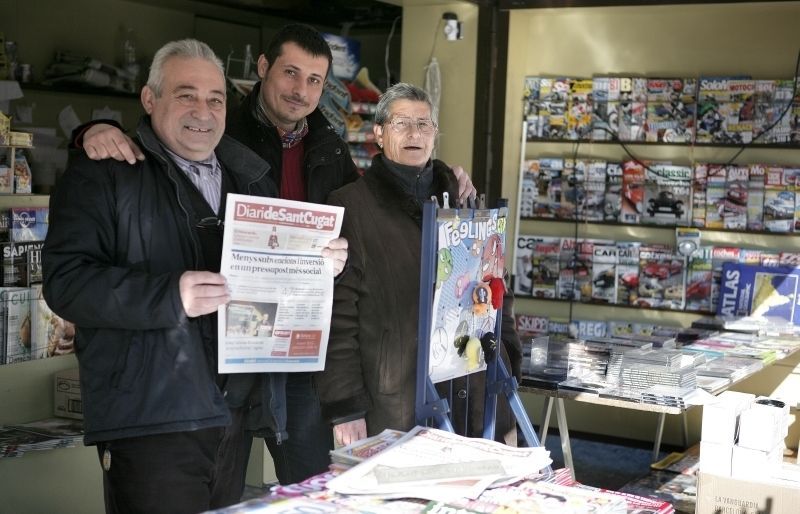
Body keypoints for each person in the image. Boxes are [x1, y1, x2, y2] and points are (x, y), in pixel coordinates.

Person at [71, 23, 477, 484]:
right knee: (216, 480)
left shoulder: (329, 144)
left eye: (314, 80)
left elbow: (378, 202)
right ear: (263, 69)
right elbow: (160, 143)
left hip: (301, 346)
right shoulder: (220, 133)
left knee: (310, 484)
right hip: (223, 347)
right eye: (290, 73)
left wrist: (442, 176)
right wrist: (94, 129)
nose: (300, 90)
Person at [42, 39, 346, 513]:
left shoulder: (249, 180)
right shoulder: (102, 174)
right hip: (151, 417)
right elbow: (66, 283)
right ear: (150, 99)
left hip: (233, 410)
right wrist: (170, 295)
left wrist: (316, 265)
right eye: (186, 94)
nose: (202, 111)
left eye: (215, 98)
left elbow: (271, 278)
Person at [316, 83, 522, 448]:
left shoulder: (463, 200)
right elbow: (337, 317)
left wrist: (508, 363)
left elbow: (494, 288)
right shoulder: (352, 207)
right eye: (401, 123)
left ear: (435, 135)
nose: (415, 133)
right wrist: (346, 408)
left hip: (475, 392)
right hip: (396, 402)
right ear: (378, 133)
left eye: (424, 124)